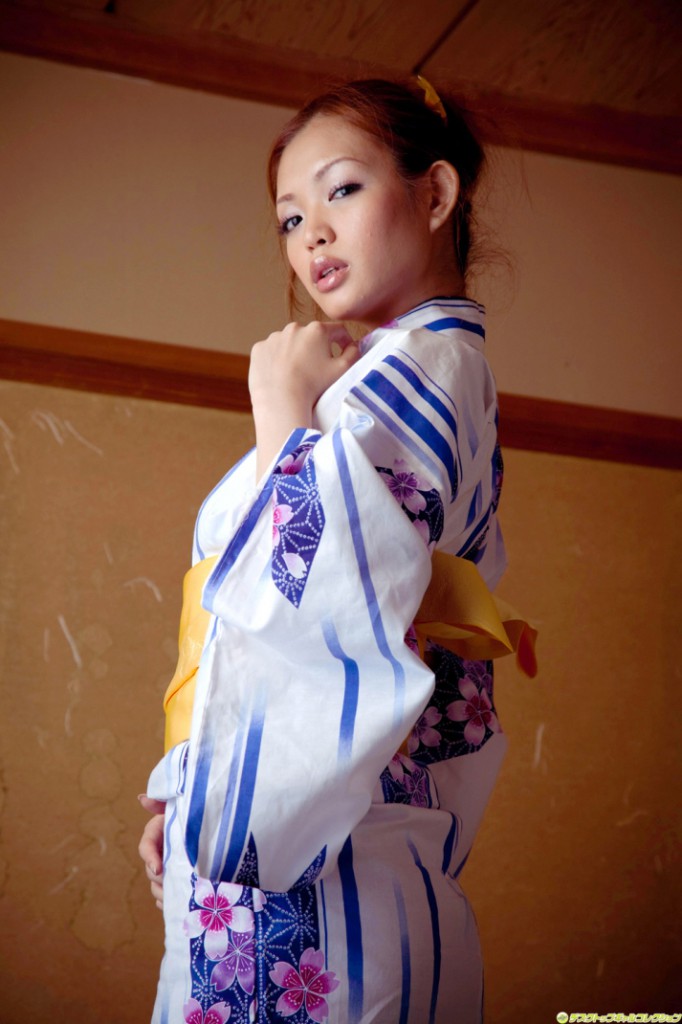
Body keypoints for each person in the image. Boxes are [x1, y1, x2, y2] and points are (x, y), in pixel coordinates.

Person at [139, 76, 534, 1024]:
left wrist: (280, 413)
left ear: (435, 195)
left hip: (330, 866)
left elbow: (334, 593)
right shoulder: (377, 374)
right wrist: (186, 790)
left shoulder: (431, 366)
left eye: (342, 190)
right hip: (293, 843)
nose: (311, 233)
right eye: (289, 218)